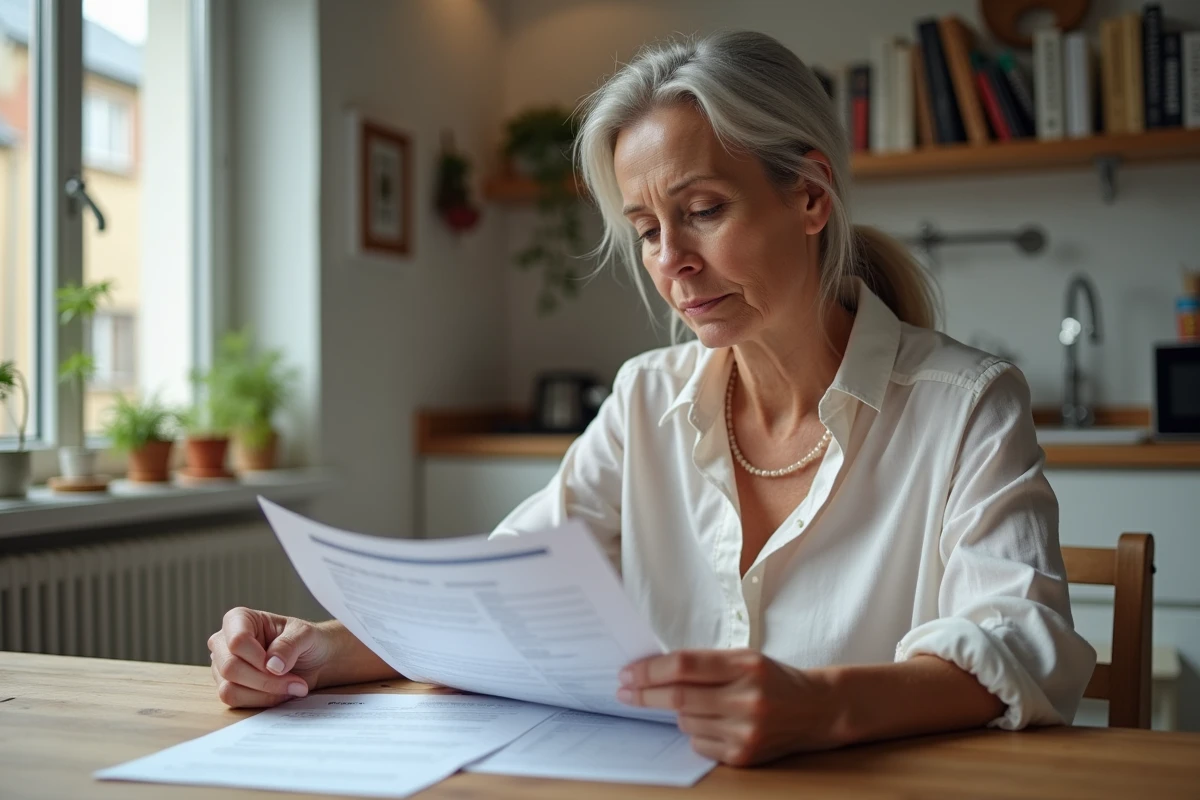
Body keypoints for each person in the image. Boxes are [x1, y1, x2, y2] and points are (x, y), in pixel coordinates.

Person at [209, 31, 1095, 767]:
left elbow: (1023, 644)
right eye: (645, 230)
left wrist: (817, 707)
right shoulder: (644, 399)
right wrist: (320, 650)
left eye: (702, 209)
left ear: (812, 196)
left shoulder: (968, 405)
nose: (670, 260)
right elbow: (501, 593)